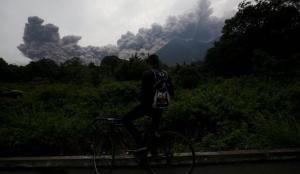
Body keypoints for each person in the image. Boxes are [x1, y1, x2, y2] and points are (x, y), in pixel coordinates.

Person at [122, 54, 174, 150]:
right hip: (162, 105)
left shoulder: (147, 73)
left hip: (148, 106)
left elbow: (144, 94)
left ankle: (140, 143)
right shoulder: (165, 74)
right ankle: (152, 153)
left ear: (149, 63)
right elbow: (172, 92)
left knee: (126, 119)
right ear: (158, 62)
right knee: (152, 130)